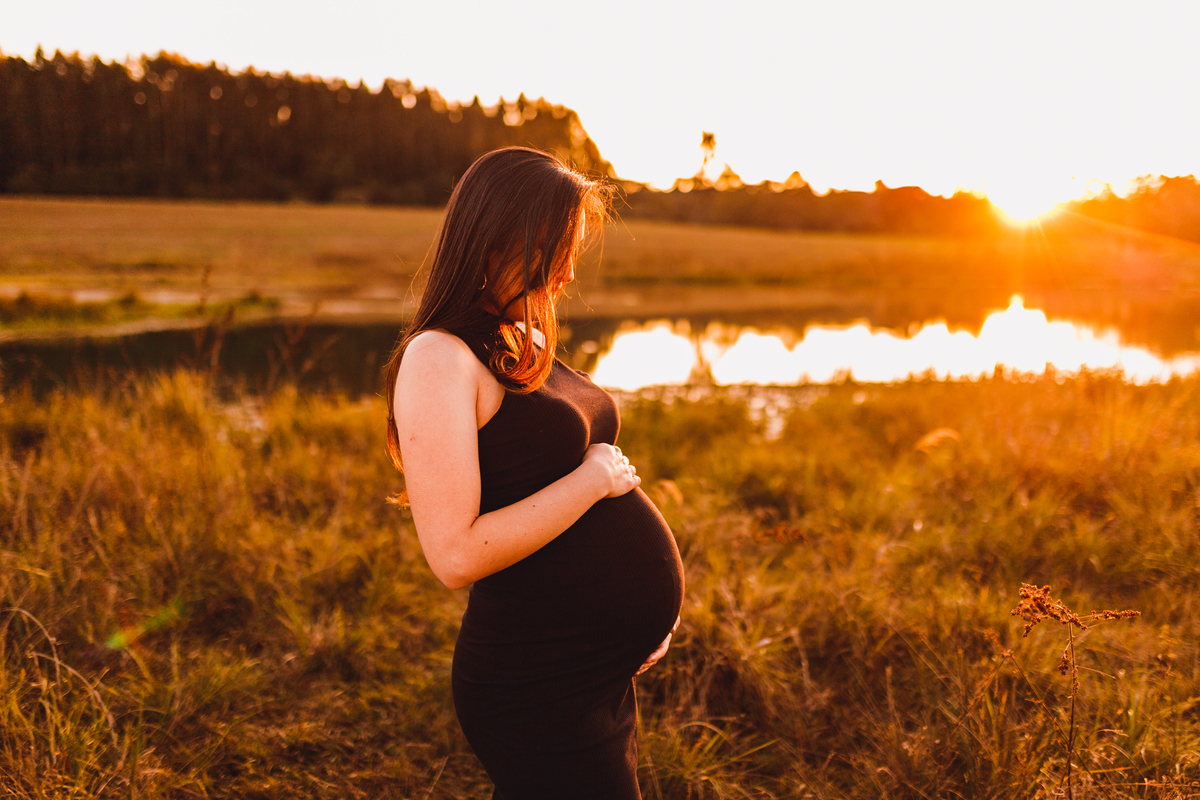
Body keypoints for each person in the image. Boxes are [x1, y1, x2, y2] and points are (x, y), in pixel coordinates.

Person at [385, 147, 685, 799]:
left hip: (589, 668)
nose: (570, 270)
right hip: (535, 680)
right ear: (499, 240)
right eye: (558, 249)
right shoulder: (440, 358)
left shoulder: (519, 337)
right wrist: (595, 480)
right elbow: (454, 554)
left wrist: (636, 624)